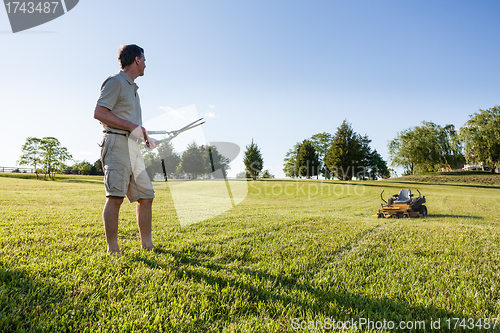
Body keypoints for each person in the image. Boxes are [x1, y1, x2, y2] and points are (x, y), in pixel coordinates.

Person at [93, 44, 159, 255]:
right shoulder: (116, 82)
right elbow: (99, 112)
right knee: (115, 197)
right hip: (116, 144)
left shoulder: (132, 88)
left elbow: (130, 123)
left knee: (146, 196)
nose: (146, 64)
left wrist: (145, 137)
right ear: (137, 60)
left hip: (133, 147)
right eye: (144, 60)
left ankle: (147, 245)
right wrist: (132, 127)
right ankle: (113, 249)